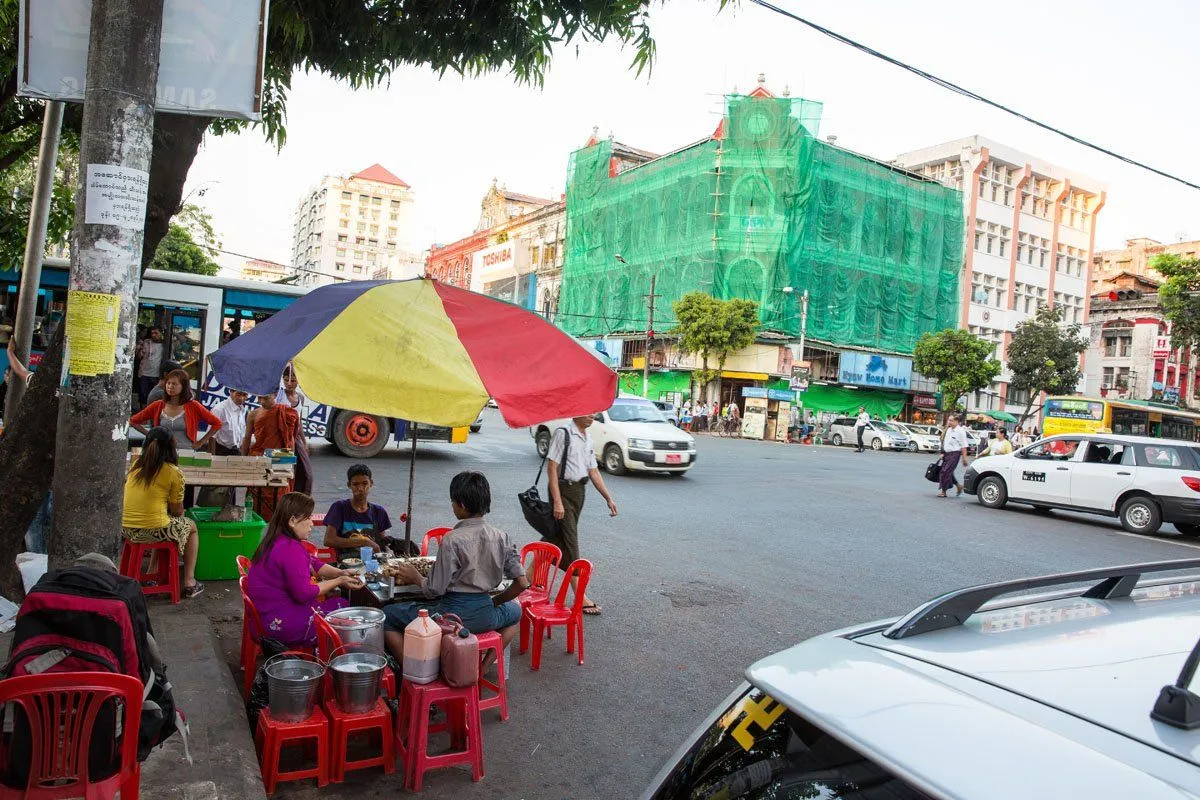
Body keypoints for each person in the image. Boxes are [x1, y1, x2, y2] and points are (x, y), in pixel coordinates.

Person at [384, 472, 529, 662]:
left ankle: (413, 669)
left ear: (461, 505)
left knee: (387, 616)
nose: (452, 506)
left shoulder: (452, 540)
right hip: (486, 614)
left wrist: (415, 577)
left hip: (450, 618)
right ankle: (484, 669)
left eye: (453, 502)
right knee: (515, 613)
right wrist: (494, 603)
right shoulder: (502, 537)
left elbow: (434, 589)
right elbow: (522, 583)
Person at [245, 492, 363, 648]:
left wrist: (340, 572)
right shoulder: (290, 549)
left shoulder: (276, 539)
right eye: (308, 518)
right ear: (292, 521)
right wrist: (339, 581)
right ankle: (334, 660)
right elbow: (304, 593)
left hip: (263, 619)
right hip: (280, 626)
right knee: (342, 607)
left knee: (337, 604)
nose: (312, 523)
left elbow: (314, 564)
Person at [547, 415, 618, 615]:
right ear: (577, 412)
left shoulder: (587, 438)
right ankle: (581, 596)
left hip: (578, 492)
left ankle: (527, 575)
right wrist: (558, 501)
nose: (593, 416)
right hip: (562, 491)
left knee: (555, 538)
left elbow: (593, 471)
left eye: (594, 412)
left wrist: (608, 498)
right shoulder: (563, 433)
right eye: (588, 411)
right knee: (570, 541)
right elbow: (551, 468)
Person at [121, 427, 204, 598]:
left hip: (127, 528)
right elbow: (177, 510)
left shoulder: (136, 466)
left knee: (164, 523)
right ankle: (190, 581)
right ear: (171, 448)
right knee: (191, 527)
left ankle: (152, 572)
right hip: (152, 529)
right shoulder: (173, 472)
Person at [129, 368, 222, 452]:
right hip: (162, 452)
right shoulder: (158, 405)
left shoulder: (194, 406)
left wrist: (201, 442)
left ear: (183, 386)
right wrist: (152, 435)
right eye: (168, 383)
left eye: (174, 384)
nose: (170, 386)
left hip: (186, 452)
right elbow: (133, 421)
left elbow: (217, 423)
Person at [241, 393, 300, 520]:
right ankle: (257, 524)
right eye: (259, 398)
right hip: (259, 459)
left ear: (274, 395)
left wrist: (291, 463)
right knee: (256, 496)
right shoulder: (253, 414)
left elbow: (290, 440)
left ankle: (278, 524)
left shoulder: (287, 413)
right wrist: (243, 459)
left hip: (280, 460)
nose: (262, 401)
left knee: (280, 496)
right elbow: (246, 438)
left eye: (266, 398)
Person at [323, 463, 394, 559]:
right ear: (349, 485)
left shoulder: (379, 512)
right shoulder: (339, 507)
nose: (360, 489)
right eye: (355, 484)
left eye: (365, 483)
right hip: (346, 563)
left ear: (371, 483)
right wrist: (364, 541)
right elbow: (329, 540)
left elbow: (379, 544)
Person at [275, 364, 314, 494]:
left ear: (298, 381)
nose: (289, 383)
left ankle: (300, 501)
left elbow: (299, 421)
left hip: (295, 437)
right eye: (286, 380)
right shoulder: (278, 395)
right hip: (281, 438)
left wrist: (304, 442)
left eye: (293, 380)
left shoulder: (300, 398)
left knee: (306, 473)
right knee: (283, 472)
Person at [938, 413, 970, 498]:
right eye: (949, 420)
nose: (949, 422)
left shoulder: (960, 431)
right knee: (949, 472)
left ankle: (943, 491)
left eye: (951, 420)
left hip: (954, 454)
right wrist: (942, 452)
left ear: (957, 421)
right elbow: (944, 441)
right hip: (946, 454)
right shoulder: (948, 429)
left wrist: (964, 458)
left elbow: (964, 446)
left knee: (945, 472)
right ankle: (958, 486)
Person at [209, 389, 250, 456]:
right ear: (231, 392)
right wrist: (212, 458)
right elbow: (211, 436)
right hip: (220, 452)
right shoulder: (219, 409)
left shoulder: (242, 410)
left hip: (236, 452)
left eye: (245, 395)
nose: (242, 398)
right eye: (239, 394)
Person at [137, 327, 164, 404]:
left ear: (161, 334)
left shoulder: (165, 344)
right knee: (143, 395)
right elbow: (140, 356)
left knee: (154, 396)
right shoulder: (147, 342)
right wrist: (139, 349)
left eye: (156, 333)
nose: (154, 335)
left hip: (156, 374)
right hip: (144, 373)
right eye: (152, 333)